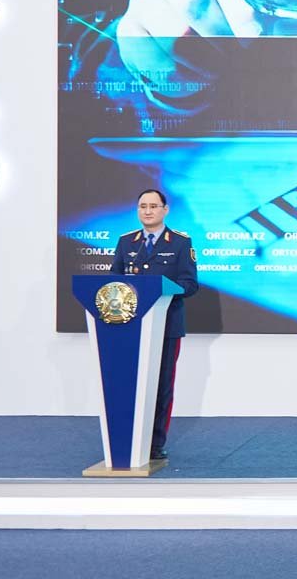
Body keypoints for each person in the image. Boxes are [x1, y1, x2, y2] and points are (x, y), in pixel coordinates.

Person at [109, 189, 199, 461]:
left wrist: (162, 290)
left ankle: (155, 443)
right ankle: (129, 438)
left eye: (153, 206)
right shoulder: (127, 242)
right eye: (143, 206)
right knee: (130, 384)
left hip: (166, 326)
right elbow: (113, 282)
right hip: (130, 328)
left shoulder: (180, 243)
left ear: (165, 210)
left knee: (161, 386)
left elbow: (190, 284)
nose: (147, 211)